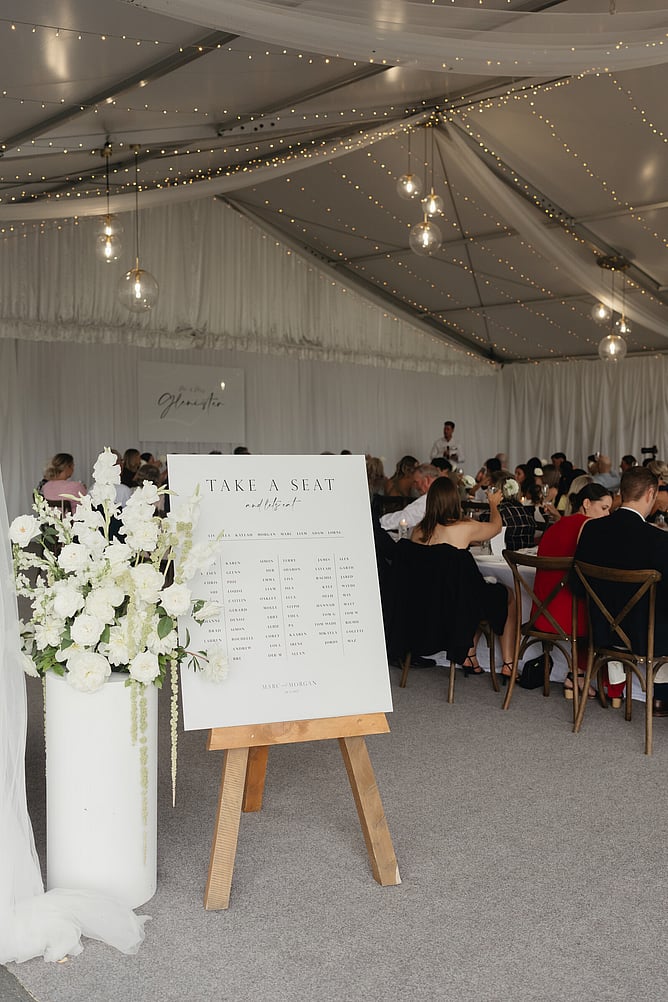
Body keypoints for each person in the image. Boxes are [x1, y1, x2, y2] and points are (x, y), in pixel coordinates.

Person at [393, 477, 516, 678]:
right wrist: (493, 505)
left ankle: (470, 654)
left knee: (471, 592)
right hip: (456, 610)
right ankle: (509, 664)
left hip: (423, 609)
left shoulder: (417, 531)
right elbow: (495, 527)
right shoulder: (463, 528)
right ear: (454, 500)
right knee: (506, 594)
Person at [573, 466, 668, 715]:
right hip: (644, 636)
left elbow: (576, 585)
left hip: (602, 630)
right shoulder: (659, 540)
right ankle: (661, 696)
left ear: (621, 492)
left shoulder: (592, 530)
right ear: (650, 493)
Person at [533, 483, 614, 701]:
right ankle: (594, 679)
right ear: (586, 503)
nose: (608, 515)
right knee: (602, 610)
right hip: (567, 617)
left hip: (540, 612)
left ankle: (576, 675)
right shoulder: (589, 527)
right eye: (604, 508)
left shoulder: (556, 526)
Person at [380, 463, 442, 533]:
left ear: (427, 480)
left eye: (416, 482)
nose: (415, 486)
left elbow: (406, 518)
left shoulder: (428, 499)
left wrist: (379, 522)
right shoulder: (445, 495)